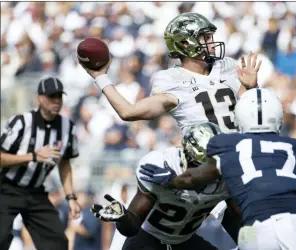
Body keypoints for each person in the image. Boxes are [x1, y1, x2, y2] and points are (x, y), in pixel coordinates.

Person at [142, 88, 296, 250]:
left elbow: (194, 179)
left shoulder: (229, 145)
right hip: (295, 219)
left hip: (257, 226)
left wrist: (171, 180)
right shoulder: (294, 146)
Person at [79, 12, 261, 134]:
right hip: (205, 164)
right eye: (205, 38)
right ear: (186, 43)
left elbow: (252, 113)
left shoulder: (227, 65)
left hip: (241, 155)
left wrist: (251, 87)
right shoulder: (171, 80)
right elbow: (128, 112)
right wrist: (100, 77)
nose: (212, 43)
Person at [91, 122, 241, 250]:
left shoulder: (226, 177)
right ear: (186, 155)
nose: (205, 173)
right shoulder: (160, 166)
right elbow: (131, 227)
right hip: (148, 239)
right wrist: (123, 218)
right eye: (200, 165)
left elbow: (237, 219)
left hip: (184, 241)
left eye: (211, 165)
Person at [0, 76, 81, 250]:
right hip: (7, 188)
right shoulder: (22, 122)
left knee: (58, 242)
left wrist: (71, 197)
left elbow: (65, 163)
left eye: (59, 96)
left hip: (35, 191)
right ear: (39, 99)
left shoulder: (67, 127)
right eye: (52, 96)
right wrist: (32, 156)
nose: (57, 101)